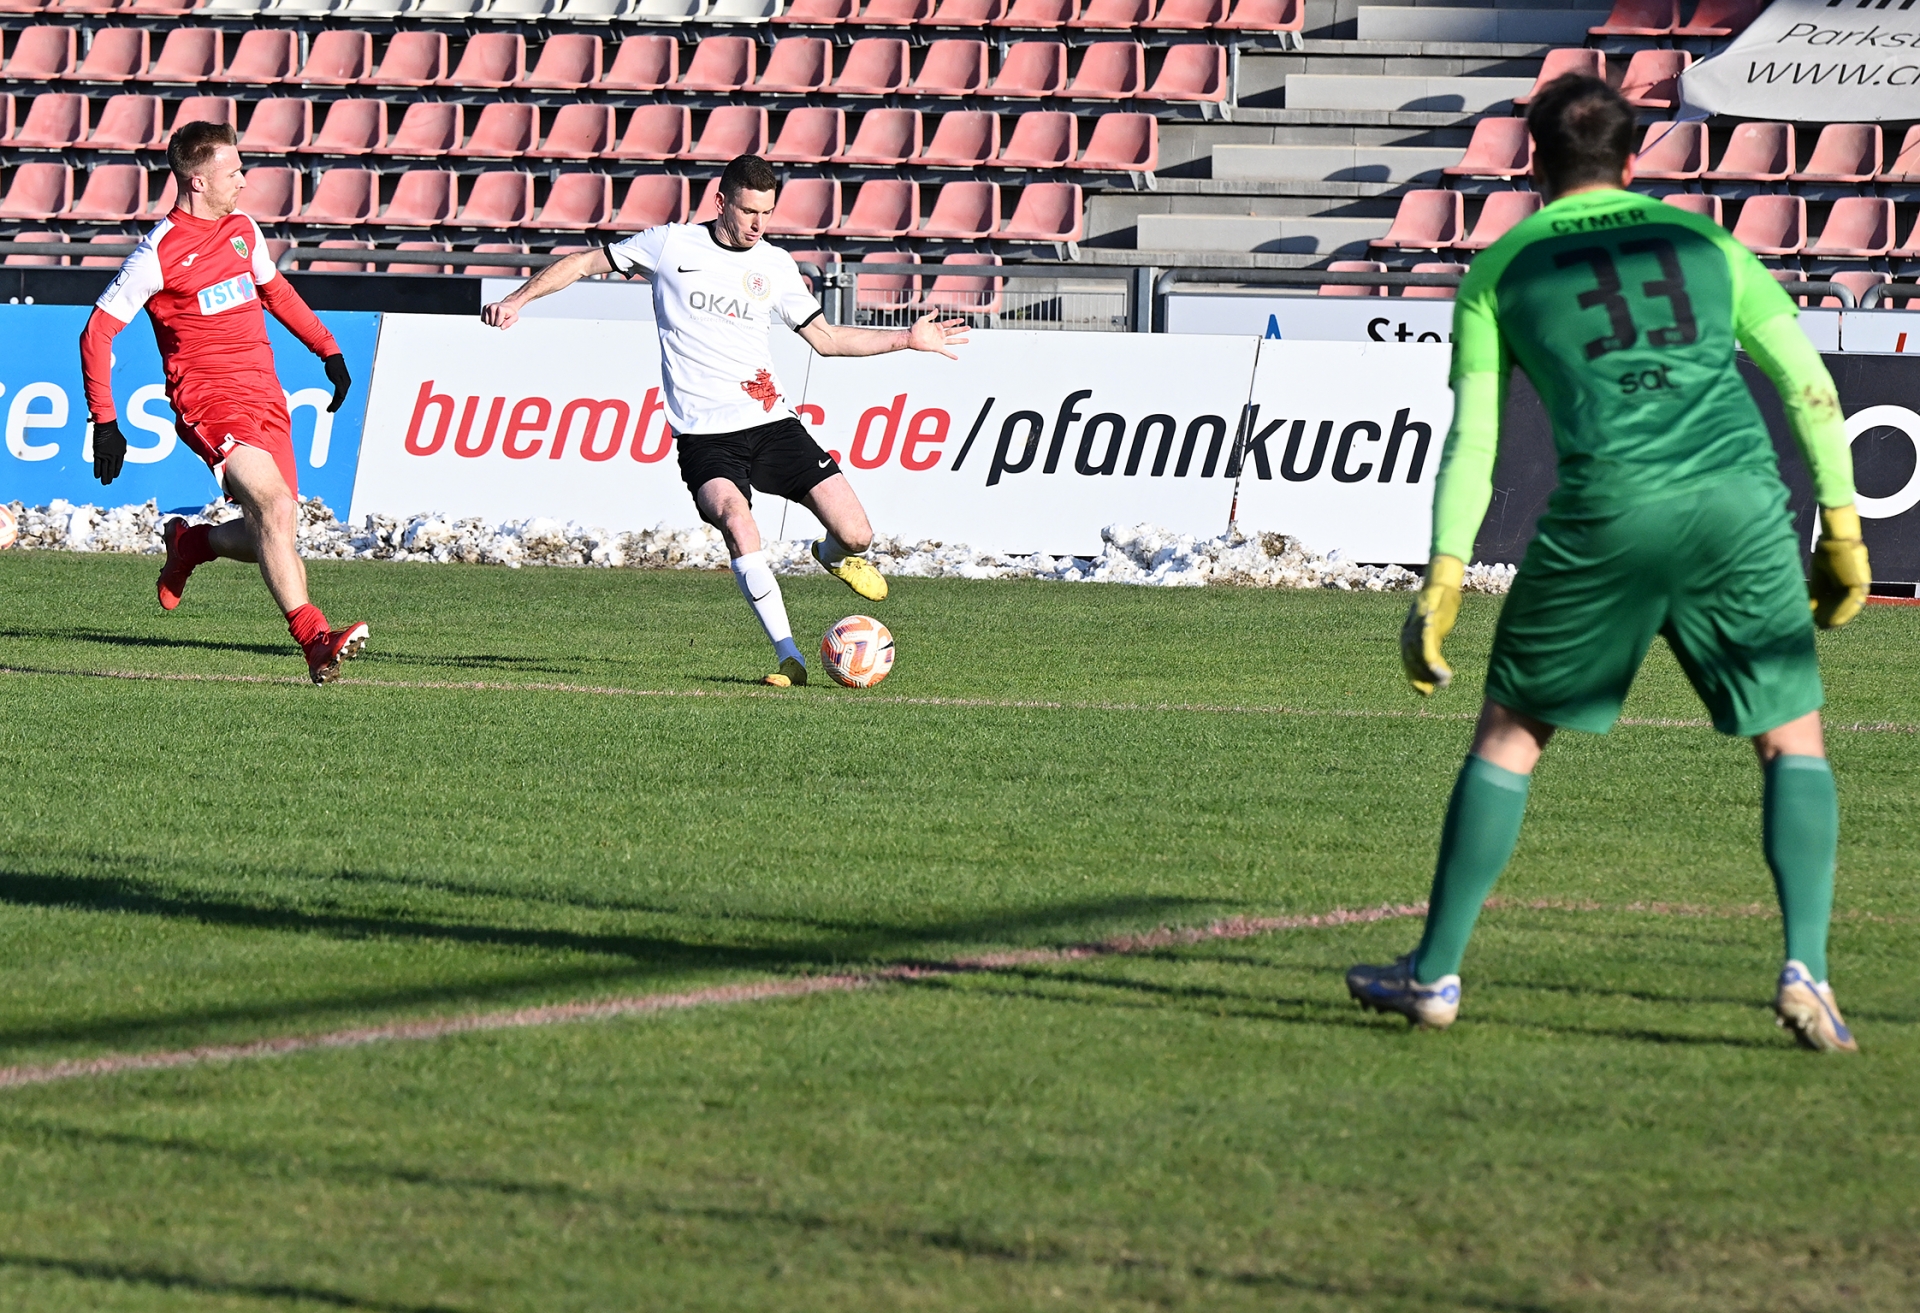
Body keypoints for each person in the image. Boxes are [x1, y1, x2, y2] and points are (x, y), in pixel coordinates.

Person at [1348, 75, 1871, 1052]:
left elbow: (1475, 441)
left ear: (1533, 165)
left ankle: (1435, 973)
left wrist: (1444, 576)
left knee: (1511, 737)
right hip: (1739, 511)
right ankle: (1807, 966)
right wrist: (1841, 524)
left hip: (1608, 515)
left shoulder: (1500, 269)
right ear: (1634, 162)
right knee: (1791, 738)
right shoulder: (1709, 244)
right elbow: (1809, 383)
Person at [481, 154, 968, 687]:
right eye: (748, 211)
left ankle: (834, 556)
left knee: (857, 534)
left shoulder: (775, 265)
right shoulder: (670, 245)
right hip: (704, 437)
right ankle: (789, 657)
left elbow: (826, 340)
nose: (758, 224)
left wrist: (906, 339)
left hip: (772, 424)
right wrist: (517, 299)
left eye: (767, 213)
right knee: (738, 522)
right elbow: (581, 264)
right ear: (721, 202)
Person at [80, 121, 368, 686]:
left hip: (266, 395)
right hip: (209, 400)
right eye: (232, 171)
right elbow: (97, 332)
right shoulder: (158, 252)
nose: (243, 179)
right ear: (197, 180)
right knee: (275, 511)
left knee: (274, 530)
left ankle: (192, 543)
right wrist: (105, 422)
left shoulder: (242, 229)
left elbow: (275, 292)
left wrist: (327, 349)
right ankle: (315, 638)